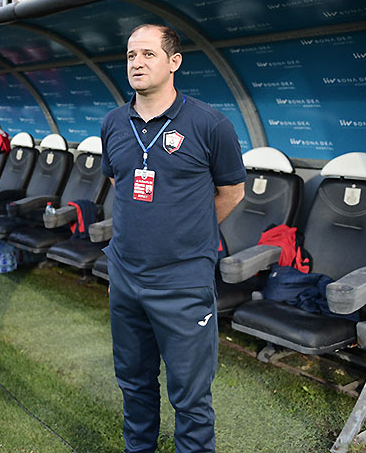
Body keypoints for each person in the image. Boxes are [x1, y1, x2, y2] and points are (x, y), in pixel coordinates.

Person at [100, 24, 245, 453]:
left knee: (190, 398)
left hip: (183, 282)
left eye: (148, 54)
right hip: (126, 277)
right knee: (133, 384)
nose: (137, 63)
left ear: (174, 62)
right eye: (131, 55)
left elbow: (232, 192)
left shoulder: (210, 124)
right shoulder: (113, 123)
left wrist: (186, 233)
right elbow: (120, 184)